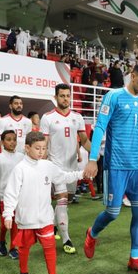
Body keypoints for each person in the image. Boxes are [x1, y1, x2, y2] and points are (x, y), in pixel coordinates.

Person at [82, 60, 138, 274]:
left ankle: (135, 258)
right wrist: (92, 158)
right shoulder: (113, 96)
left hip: (136, 167)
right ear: (133, 75)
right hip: (116, 165)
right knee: (113, 212)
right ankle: (92, 233)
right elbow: (99, 127)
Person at [3, 132, 84, 274]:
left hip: (46, 218)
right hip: (26, 219)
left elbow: (63, 177)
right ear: (27, 148)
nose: (41, 151)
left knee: (50, 247)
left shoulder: (47, 166)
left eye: (44, 148)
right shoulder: (20, 169)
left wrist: (82, 173)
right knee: (24, 248)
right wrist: (8, 214)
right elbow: (10, 193)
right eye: (37, 148)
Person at [40, 84, 91, 254]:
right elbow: (44, 144)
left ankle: (55, 227)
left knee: (66, 202)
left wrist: (96, 155)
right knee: (61, 201)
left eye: (67, 96)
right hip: (55, 166)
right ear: (55, 97)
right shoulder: (47, 118)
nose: (65, 99)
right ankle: (66, 238)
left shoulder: (77, 117)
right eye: (61, 96)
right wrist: (41, 162)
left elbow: (84, 140)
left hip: (72, 168)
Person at [0, 130, 24, 258]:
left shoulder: (21, 157)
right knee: (6, 223)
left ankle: (13, 248)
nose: (12, 142)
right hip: (4, 196)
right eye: (9, 139)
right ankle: (1, 239)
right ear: (2, 142)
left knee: (16, 223)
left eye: (14, 139)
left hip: (19, 196)